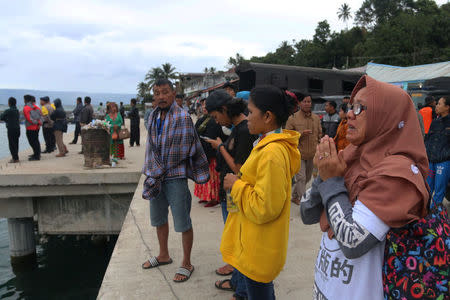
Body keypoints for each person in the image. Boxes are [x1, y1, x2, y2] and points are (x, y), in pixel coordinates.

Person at [301, 75, 430, 300]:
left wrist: (331, 180)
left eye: (361, 108)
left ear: (386, 116)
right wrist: (324, 173)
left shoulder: (398, 174)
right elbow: (307, 213)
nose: (350, 113)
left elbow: (352, 242)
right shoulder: (350, 155)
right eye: (352, 106)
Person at [220, 85, 300, 300]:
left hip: (258, 248)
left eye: (251, 112)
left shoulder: (272, 153)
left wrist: (235, 185)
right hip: (255, 244)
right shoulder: (266, 144)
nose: (246, 117)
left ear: (267, 116)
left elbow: (265, 207)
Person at [141, 79, 210, 283]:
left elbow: (182, 149)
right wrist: (153, 170)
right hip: (156, 176)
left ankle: (187, 263)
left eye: (164, 92)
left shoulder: (182, 117)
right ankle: (164, 255)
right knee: (159, 218)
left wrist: (160, 168)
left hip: (175, 177)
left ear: (173, 93)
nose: (160, 96)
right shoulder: (153, 116)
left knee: (182, 221)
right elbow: (151, 147)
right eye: (156, 93)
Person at [205, 90, 257, 299]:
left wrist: (220, 148)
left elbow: (239, 169)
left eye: (216, 116)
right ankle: (237, 281)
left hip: (236, 194)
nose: (217, 121)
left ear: (224, 109)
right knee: (235, 240)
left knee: (240, 242)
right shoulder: (237, 128)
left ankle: (243, 290)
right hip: (230, 194)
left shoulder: (244, 131)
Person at [285, 94, 321, 205]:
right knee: (301, 178)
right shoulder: (293, 118)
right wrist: (300, 134)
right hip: (298, 153)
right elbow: (287, 136)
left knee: (307, 178)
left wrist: (319, 145)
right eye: (305, 101)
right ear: (300, 103)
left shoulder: (315, 118)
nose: (307, 104)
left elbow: (319, 133)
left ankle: (295, 196)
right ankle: (305, 202)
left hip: (312, 154)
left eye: (309, 101)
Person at [194, 98, 225, 207]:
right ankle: (205, 196)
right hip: (201, 152)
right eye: (202, 105)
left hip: (210, 154)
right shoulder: (201, 120)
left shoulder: (214, 121)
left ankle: (213, 198)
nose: (204, 107)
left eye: (206, 105)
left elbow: (213, 136)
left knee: (212, 177)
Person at [425, 96, 450, 208]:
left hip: (443, 162)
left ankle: (434, 217)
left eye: (439, 104)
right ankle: (424, 214)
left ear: (447, 107)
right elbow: (428, 140)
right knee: (427, 189)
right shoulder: (435, 122)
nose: (436, 106)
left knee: (439, 191)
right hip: (431, 161)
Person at [1, 97, 21, 163]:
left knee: (12, 144)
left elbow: (1, 117)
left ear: (9, 103)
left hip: (11, 129)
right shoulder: (17, 110)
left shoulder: (8, 111)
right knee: (16, 143)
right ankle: (16, 157)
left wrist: (6, 120)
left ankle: (15, 158)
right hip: (18, 128)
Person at [23, 95, 42, 161]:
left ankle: (37, 156)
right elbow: (41, 116)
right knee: (36, 140)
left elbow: (29, 118)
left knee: (32, 141)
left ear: (25, 100)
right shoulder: (36, 107)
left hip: (30, 127)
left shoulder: (26, 107)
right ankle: (37, 153)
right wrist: (39, 123)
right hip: (37, 127)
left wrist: (35, 122)